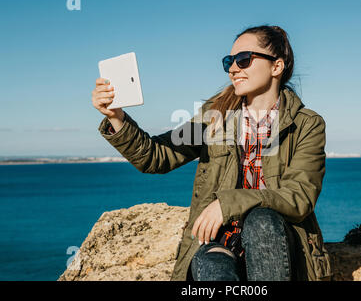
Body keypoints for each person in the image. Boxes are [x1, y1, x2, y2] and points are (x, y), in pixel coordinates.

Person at [91, 25, 332, 281]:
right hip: (222, 240)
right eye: (229, 61)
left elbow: (299, 196)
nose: (233, 68)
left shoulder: (307, 124)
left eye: (243, 59)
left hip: (278, 244)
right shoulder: (215, 115)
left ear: (276, 67)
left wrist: (227, 205)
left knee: (262, 220)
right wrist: (116, 118)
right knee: (211, 264)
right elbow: (156, 156)